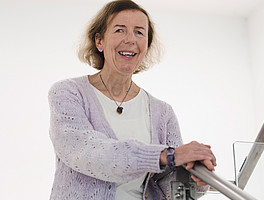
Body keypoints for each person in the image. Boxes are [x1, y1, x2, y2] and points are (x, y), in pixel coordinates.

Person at [48, 0, 216, 199]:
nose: (130, 40)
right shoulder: (68, 93)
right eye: (120, 30)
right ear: (99, 41)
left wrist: (196, 177)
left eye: (139, 32)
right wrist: (167, 155)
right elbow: (88, 153)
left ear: (146, 45)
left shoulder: (163, 112)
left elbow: (169, 185)